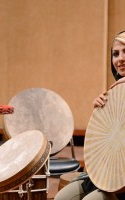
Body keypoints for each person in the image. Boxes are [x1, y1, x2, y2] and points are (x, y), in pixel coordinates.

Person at [54, 30, 125, 200]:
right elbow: (106, 141)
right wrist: (100, 114)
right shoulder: (115, 91)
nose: (120, 58)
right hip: (108, 173)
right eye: (115, 54)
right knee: (62, 198)